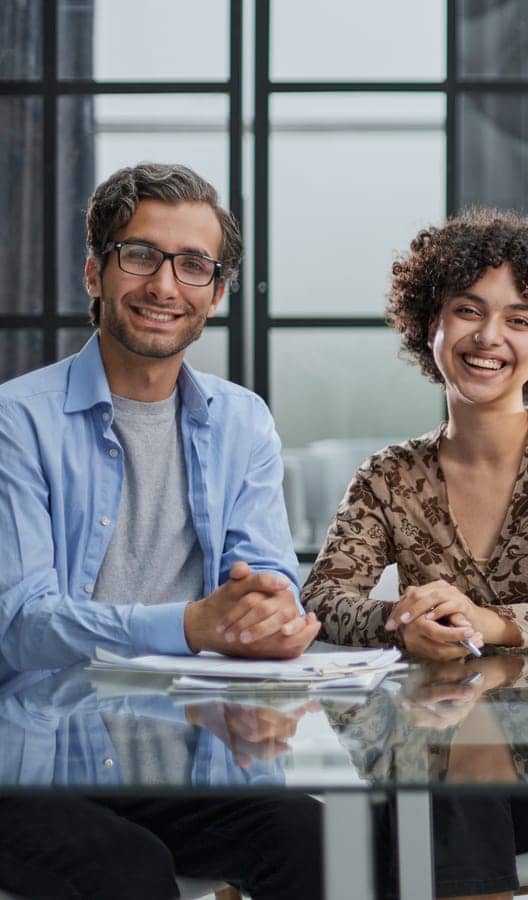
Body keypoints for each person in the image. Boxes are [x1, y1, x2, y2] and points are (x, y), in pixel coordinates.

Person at [302, 208, 528, 898]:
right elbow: (324, 600)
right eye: (468, 311)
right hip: (425, 746)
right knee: (366, 810)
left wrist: (492, 626)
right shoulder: (388, 475)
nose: (490, 337)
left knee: (422, 805)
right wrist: (400, 619)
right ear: (429, 327)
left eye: (520, 319)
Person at [0, 162, 322, 897]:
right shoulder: (16, 422)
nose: (164, 286)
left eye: (193, 265)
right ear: (95, 272)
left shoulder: (243, 420)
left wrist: (274, 613)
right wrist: (194, 625)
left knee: (313, 836)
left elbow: (269, 580)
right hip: (32, 760)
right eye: (139, 256)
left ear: (217, 290)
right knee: (130, 871)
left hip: (185, 752)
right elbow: (22, 625)